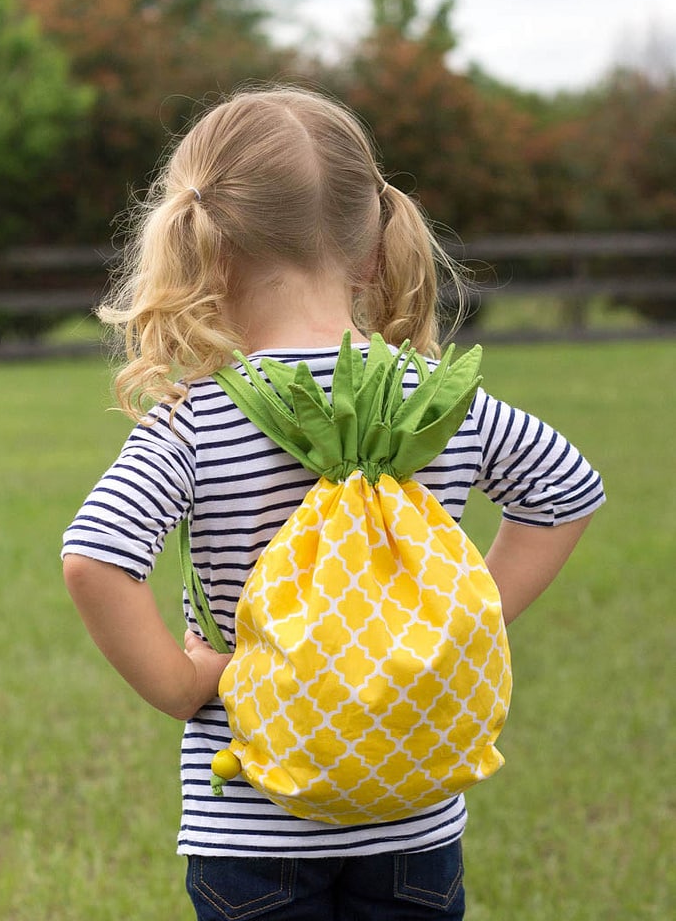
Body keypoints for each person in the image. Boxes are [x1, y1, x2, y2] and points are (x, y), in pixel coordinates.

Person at [62, 84, 605, 920]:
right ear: (370, 248)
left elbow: (97, 557)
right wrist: (462, 617)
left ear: (204, 250)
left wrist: (180, 686)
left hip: (252, 821)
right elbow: (564, 491)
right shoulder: (438, 400)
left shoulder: (198, 418)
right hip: (411, 809)